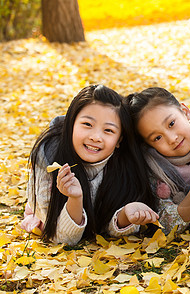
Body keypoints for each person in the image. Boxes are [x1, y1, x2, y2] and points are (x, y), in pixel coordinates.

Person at [21, 85, 159, 245]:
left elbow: (106, 229)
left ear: (119, 141)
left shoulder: (125, 166)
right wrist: (75, 199)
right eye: (87, 124)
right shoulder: (48, 162)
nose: (96, 137)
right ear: (71, 124)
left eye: (108, 130)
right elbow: (63, 238)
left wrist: (126, 215)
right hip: (51, 215)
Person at [125, 87, 190, 234]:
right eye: (157, 138)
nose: (172, 139)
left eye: (171, 124)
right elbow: (166, 224)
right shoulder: (156, 169)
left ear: (185, 111)